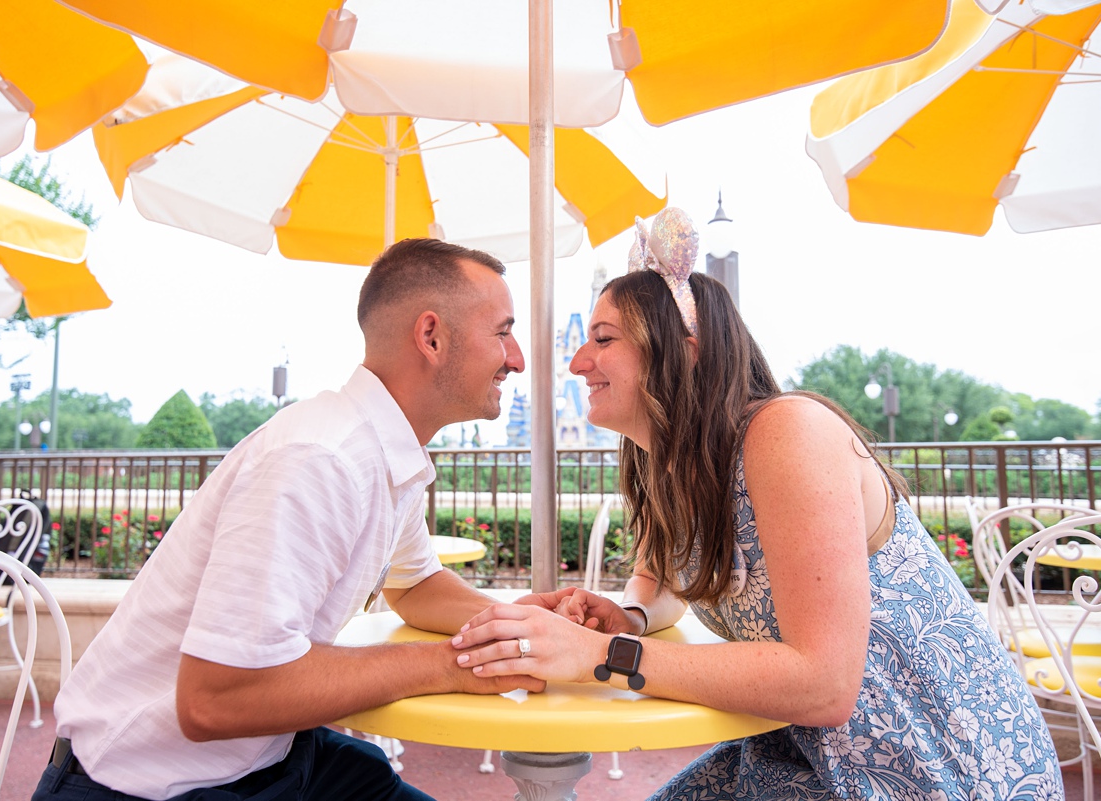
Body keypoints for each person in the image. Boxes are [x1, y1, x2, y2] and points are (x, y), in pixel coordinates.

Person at [453, 209, 1063, 801]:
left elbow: (825, 685)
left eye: (603, 340)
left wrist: (603, 657)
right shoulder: (674, 466)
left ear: (683, 349)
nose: (578, 362)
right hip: (801, 756)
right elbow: (663, 579)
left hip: (937, 768)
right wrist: (629, 617)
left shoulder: (787, 432)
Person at [32, 238, 542, 801]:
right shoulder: (321, 458)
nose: (516, 357)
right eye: (502, 332)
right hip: (150, 785)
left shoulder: (380, 449)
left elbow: (416, 586)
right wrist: (447, 667)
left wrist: (522, 622)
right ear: (431, 337)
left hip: (266, 758)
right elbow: (216, 698)